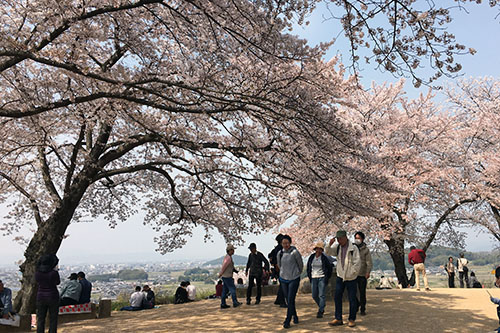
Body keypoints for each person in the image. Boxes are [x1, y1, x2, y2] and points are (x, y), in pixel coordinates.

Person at [326, 230, 361, 328]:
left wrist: (352, 273)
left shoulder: (353, 248)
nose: (339, 240)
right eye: (338, 239)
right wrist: (329, 244)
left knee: (352, 298)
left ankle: (351, 319)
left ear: (346, 237)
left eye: (340, 238)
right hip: (340, 276)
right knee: (337, 297)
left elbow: (357, 263)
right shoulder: (337, 247)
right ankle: (338, 318)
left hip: (351, 277)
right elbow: (328, 252)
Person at [277, 234, 303, 329]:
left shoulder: (295, 252)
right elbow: (279, 265)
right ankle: (295, 315)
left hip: (294, 278)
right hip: (283, 278)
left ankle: (287, 320)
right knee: (288, 299)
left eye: (287, 243)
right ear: (281, 244)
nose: (286, 245)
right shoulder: (280, 253)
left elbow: (300, 264)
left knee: (291, 299)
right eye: (284, 243)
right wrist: (283, 273)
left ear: (290, 243)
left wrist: (297, 273)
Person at [306, 241, 333, 318]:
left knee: (321, 295)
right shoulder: (312, 257)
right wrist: (309, 275)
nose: (318, 251)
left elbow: (329, 267)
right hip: (314, 277)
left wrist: (327, 276)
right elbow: (308, 267)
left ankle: (321, 310)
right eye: (317, 249)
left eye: (320, 249)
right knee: (314, 295)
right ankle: (321, 305)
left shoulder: (324, 258)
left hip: (322, 277)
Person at [35, 254, 61, 333]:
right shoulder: (53, 273)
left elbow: (38, 282)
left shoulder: (37, 273)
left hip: (41, 297)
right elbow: (57, 282)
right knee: (53, 319)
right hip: (52, 296)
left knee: (40, 318)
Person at [354, 231, 372, 316]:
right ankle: (356, 305)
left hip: (362, 273)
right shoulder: (352, 248)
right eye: (356, 238)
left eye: (359, 238)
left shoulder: (366, 249)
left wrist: (367, 272)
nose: (357, 240)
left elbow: (369, 262)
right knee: (353, 292)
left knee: (362, 292)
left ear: (362, 239)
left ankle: (363, 308)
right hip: (353, 273)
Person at [218, 244, 242, 309]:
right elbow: (224, 267)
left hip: (225, 276)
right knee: (232, 289)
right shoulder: (228, 258)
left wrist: (235, 271)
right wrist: (220, 273)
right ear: (230, 250)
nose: (234, 251)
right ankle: (235, 302)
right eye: (233, 250)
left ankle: (223, 304)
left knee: (225, 290)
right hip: (227, 276)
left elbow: (230, 267)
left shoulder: (228, 257)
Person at [268, 234, 287, 308]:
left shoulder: (276, 249)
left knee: (282, 284)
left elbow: (270, 256)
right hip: (280, 268)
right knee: (283, 285)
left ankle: (278, 300)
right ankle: (282, 302)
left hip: (278, 268)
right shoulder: (280, 249)